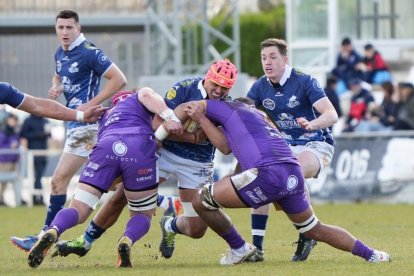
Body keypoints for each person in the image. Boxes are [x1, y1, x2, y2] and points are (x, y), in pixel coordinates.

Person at [50, 59, 238, 260]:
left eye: (224, 87)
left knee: (196, 230)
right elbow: (158, 123)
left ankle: (170, 225)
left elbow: (224, 146)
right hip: (165, 152)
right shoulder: (184, 88)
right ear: (207, 78)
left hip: (198, 163)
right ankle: (85, 240)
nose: (218, 90)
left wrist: (198, 127)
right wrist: (193, 137)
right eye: (215, 84)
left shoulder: (227, 105)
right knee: (121, 195)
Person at [184, 97, 390, 265]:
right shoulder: (263, 118)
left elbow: (210, 126)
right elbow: (234, 153)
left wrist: (200, 118)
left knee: (200, 201)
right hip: (292, 172)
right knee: (314, 228)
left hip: (268, 174)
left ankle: (239, 248)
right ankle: (372, 254)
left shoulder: (233, 109)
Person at [27, 87, 183, 269]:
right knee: (142, 213)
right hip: (139, 147)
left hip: (106, 146)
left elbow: (109, 183)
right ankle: (126, 240)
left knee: (78, 208)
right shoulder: (138, 98)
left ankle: (53, 230)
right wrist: (171, 118)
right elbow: (147, 95)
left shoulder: (105, 115)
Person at [10, 9, 127, 252]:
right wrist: (56, 87)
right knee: (117, 184)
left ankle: (44, 237)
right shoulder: (60, 53)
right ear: (56, 29)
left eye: (69, 27)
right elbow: (58, 76)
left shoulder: (89, 52)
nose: (64, 32)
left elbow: (119, 79)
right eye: (60, 28)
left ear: (78, 28)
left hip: (88, 127)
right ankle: (167, 203)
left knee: (58, 181)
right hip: (74, 125)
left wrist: (93, 103)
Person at [246, 38, 338, 262]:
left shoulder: (305, 81)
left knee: (291, 170)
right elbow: (244, 111)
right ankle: (257, 248)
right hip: (284, 147)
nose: (267, 62)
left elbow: (332, 115)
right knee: (262, 177)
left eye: (273, 57)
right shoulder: (260, 86)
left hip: (316, 143)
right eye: (263, 58)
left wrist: (312, 124)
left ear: (285, 59)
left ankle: (307, 233)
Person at [20, 114, 51, 205]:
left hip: (44, 151)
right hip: (33, 152)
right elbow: (23, 134)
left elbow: (49, 134)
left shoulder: (45, 120)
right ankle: (37, 197)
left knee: (39, 176)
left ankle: (38, 197)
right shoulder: (28, 120)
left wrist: (47, 134)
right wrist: (37, 135)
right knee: (37, 176)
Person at [0, 114, 21, 206]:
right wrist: (10, 146)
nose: (12, 122)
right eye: (11, 120)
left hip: (13, 160)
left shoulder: (15, 132)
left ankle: (2, 199)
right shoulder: (3, 132)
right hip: (4, 161)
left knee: (7, 182)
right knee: (2, 181)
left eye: (14, 120)